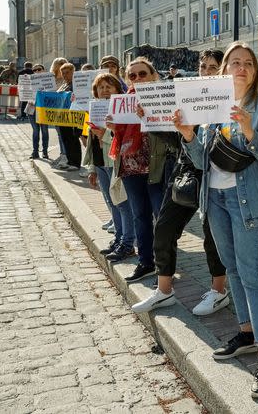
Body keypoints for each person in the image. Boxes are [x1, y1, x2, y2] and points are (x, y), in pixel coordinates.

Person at [175, 41, 258, 398]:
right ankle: (247, 333)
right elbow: (200, 158)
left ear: (255, 72)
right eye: (234, 62)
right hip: (217, 200)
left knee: (254, 275)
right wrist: (189, 134)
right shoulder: (212, 105)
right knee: (233, 268)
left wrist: (251, 132)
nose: (241, 68)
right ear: (223, 70)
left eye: (248, 64)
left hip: (249, 202)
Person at [132, 49, 229, 316]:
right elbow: (177, 142)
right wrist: (150, 119)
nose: (206, 72)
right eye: (203, 67)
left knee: (213, 236)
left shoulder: (227, 99)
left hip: (216, 172)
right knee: (164, 228)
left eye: (212, 68)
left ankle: (219, 291)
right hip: (186, 170)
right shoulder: (187, 96)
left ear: (222, 71)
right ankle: (164, 292)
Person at [107, 57, 177, 281]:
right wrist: (112, 127)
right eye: (133, 75)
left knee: (162, 220)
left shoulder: (164, 97)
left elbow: (173, 134)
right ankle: (145, 262)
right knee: (140, 217)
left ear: (153, 75)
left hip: (157, 167)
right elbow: (119, 137)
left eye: (142, 73)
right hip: (130, 168)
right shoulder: (123, 101)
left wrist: (150, 117)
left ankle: (164, 268)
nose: (137, 78)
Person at [83, 73, 135, 262]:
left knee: (122, 204)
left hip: (115, 163)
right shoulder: (94, 108)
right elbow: (90, 140)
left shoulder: (122, 111)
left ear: (117, 90)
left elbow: (122, 140)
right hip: (100, 163)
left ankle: (128, 243)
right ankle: (119, 239)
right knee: (111, 203)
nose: (104, 90)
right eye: (100, 87)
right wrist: (91, 168)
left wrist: (105, 134)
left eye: (109, 87)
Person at [54, 63, 81, 171]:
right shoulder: (64, 84)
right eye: (63, 73)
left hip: (72, 116)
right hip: (62, 117)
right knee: (66, 139)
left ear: (73, 72)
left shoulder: (77, 84)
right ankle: (70, 161)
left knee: (73, 139)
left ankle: (75, 163)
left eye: (67, 73)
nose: (65, 75)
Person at [27, 63, 49, 159]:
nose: (36, 71)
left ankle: (45, 152)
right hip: (31, 108)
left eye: (39, 69)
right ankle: (35, 151)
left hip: (43, 109)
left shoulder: (48, 81)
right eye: (34, 70)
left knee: (44, 131)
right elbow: (24, 93)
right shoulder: (29, 81)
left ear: (43, 70)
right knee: (35, 131)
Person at [50, 57, 68, 166]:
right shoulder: (51, 79)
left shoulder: (67, 79)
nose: (62, 66)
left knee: (65, 135)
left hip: (66, 111)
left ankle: (65, 155)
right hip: (55, 110)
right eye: (60, 64)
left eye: (63, 63)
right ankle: (62, 154)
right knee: (59, 134)